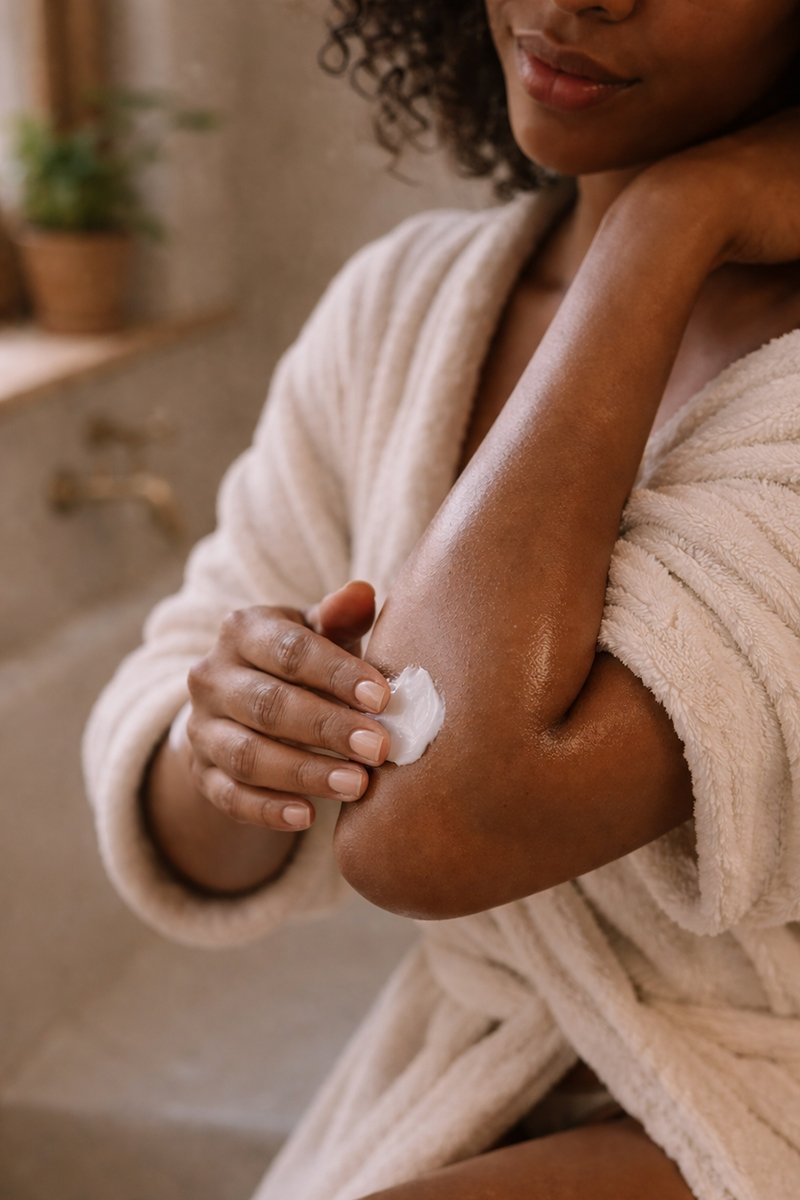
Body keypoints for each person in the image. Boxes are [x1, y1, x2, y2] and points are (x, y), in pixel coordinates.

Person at [83, 2, 800, 1197]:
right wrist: (224, 739)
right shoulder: (397, 308)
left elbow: (441, 825)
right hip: (468, 1068)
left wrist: (664, 224)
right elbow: (190, 832)